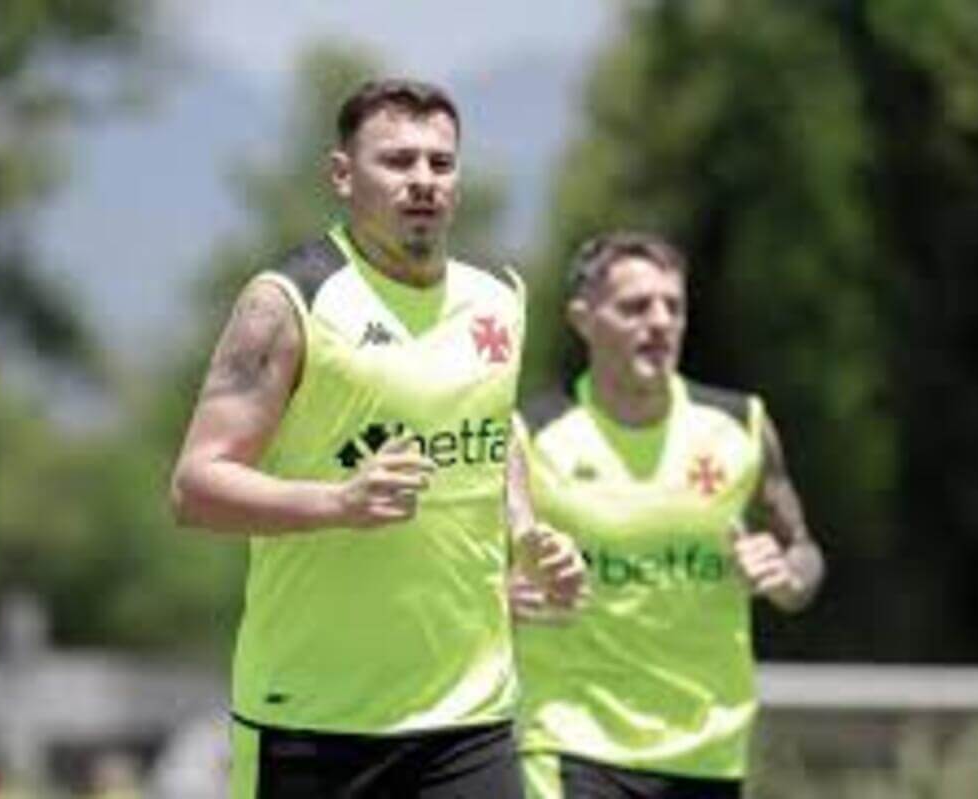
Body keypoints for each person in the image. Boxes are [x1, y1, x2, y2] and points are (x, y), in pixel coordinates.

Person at [169, 78, 584, 798]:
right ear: (342, 175)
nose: (423, 180)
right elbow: (196, 487)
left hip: (470, 716)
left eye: (440, 162)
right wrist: (338, 502)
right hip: (313, 720)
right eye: (397, 161)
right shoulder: (289, 301)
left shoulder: (500, 295)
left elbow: (492, 423)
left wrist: (525, 528)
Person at [511, 232, 825, 799]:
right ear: (583, 318)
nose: (659, 321)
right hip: (573, 741)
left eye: (673, 306)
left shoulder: (741, 425)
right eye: (634, 306)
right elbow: (452, 566)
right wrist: (498, 593)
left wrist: (788, 576)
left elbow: (804, 551)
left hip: (708, 749)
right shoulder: (530, 435)